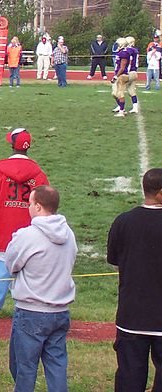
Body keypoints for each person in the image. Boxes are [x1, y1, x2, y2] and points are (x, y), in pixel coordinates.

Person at [0, 128, 49, 321]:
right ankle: (28, 307)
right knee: (29, 271)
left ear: (11, 145)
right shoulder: (38, 174)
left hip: (3, 227)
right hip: (30, 230)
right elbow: (46, 203)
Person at [6, 185, 77, 392]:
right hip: (60, 311)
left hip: (31, 312)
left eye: (29, 204)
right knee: (57, 365)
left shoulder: (26, 235)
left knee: (24, 367)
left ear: (38, 206)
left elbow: (11, 265)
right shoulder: (68, 233)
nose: (28, 208)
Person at [108, 167, 162, 391]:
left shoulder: (123, 221)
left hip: (131, 316)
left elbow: (114, 259)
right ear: (160, 192)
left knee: (129, 380)